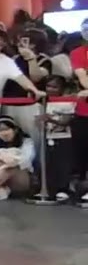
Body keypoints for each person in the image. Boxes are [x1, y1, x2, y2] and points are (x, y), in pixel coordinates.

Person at [41, 75, 75, 201]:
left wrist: (49, 119)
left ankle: (63, 189)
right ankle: (50, 189)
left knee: (63, 164)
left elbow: (66, 121)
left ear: (62, 88)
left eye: (55, 87)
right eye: (48, 86)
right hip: (48, 136)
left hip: (64, 137)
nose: (51, 89)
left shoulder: (67, 101)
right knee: (50, 164)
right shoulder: (44, 100)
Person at [71, 19, 88, 202]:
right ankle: (82, 188)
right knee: (81, 153)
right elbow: (82, 77)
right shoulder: (78, 53)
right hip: (83, 112)